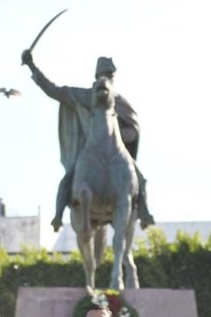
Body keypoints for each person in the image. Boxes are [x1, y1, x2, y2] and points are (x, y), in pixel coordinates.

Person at [22, 49, 155, 232]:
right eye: (106, 75)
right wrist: (32, 67)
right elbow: (51, 89)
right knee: (68, 179)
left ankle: (144, 212)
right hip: (89, 153)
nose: (108, 79)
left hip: (116, 154)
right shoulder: (84, 96)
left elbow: (133, 129)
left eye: (110, 75)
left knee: (140, 178)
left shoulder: (119, 101)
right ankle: (58, 215)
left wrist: (118, 135)